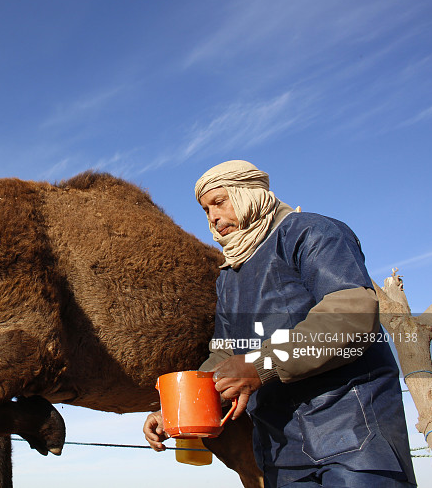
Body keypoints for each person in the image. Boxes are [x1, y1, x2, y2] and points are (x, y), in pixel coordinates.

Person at [143, 160, 416, 487]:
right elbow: (226, 354)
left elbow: (350, 318)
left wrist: (261, 364)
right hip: (280, 449)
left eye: (219, 202)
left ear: (249, 193)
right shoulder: (230, 276)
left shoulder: (311, 232)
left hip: (351, 431)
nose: (212, 217)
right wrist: (175, 411)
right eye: (205, 210)